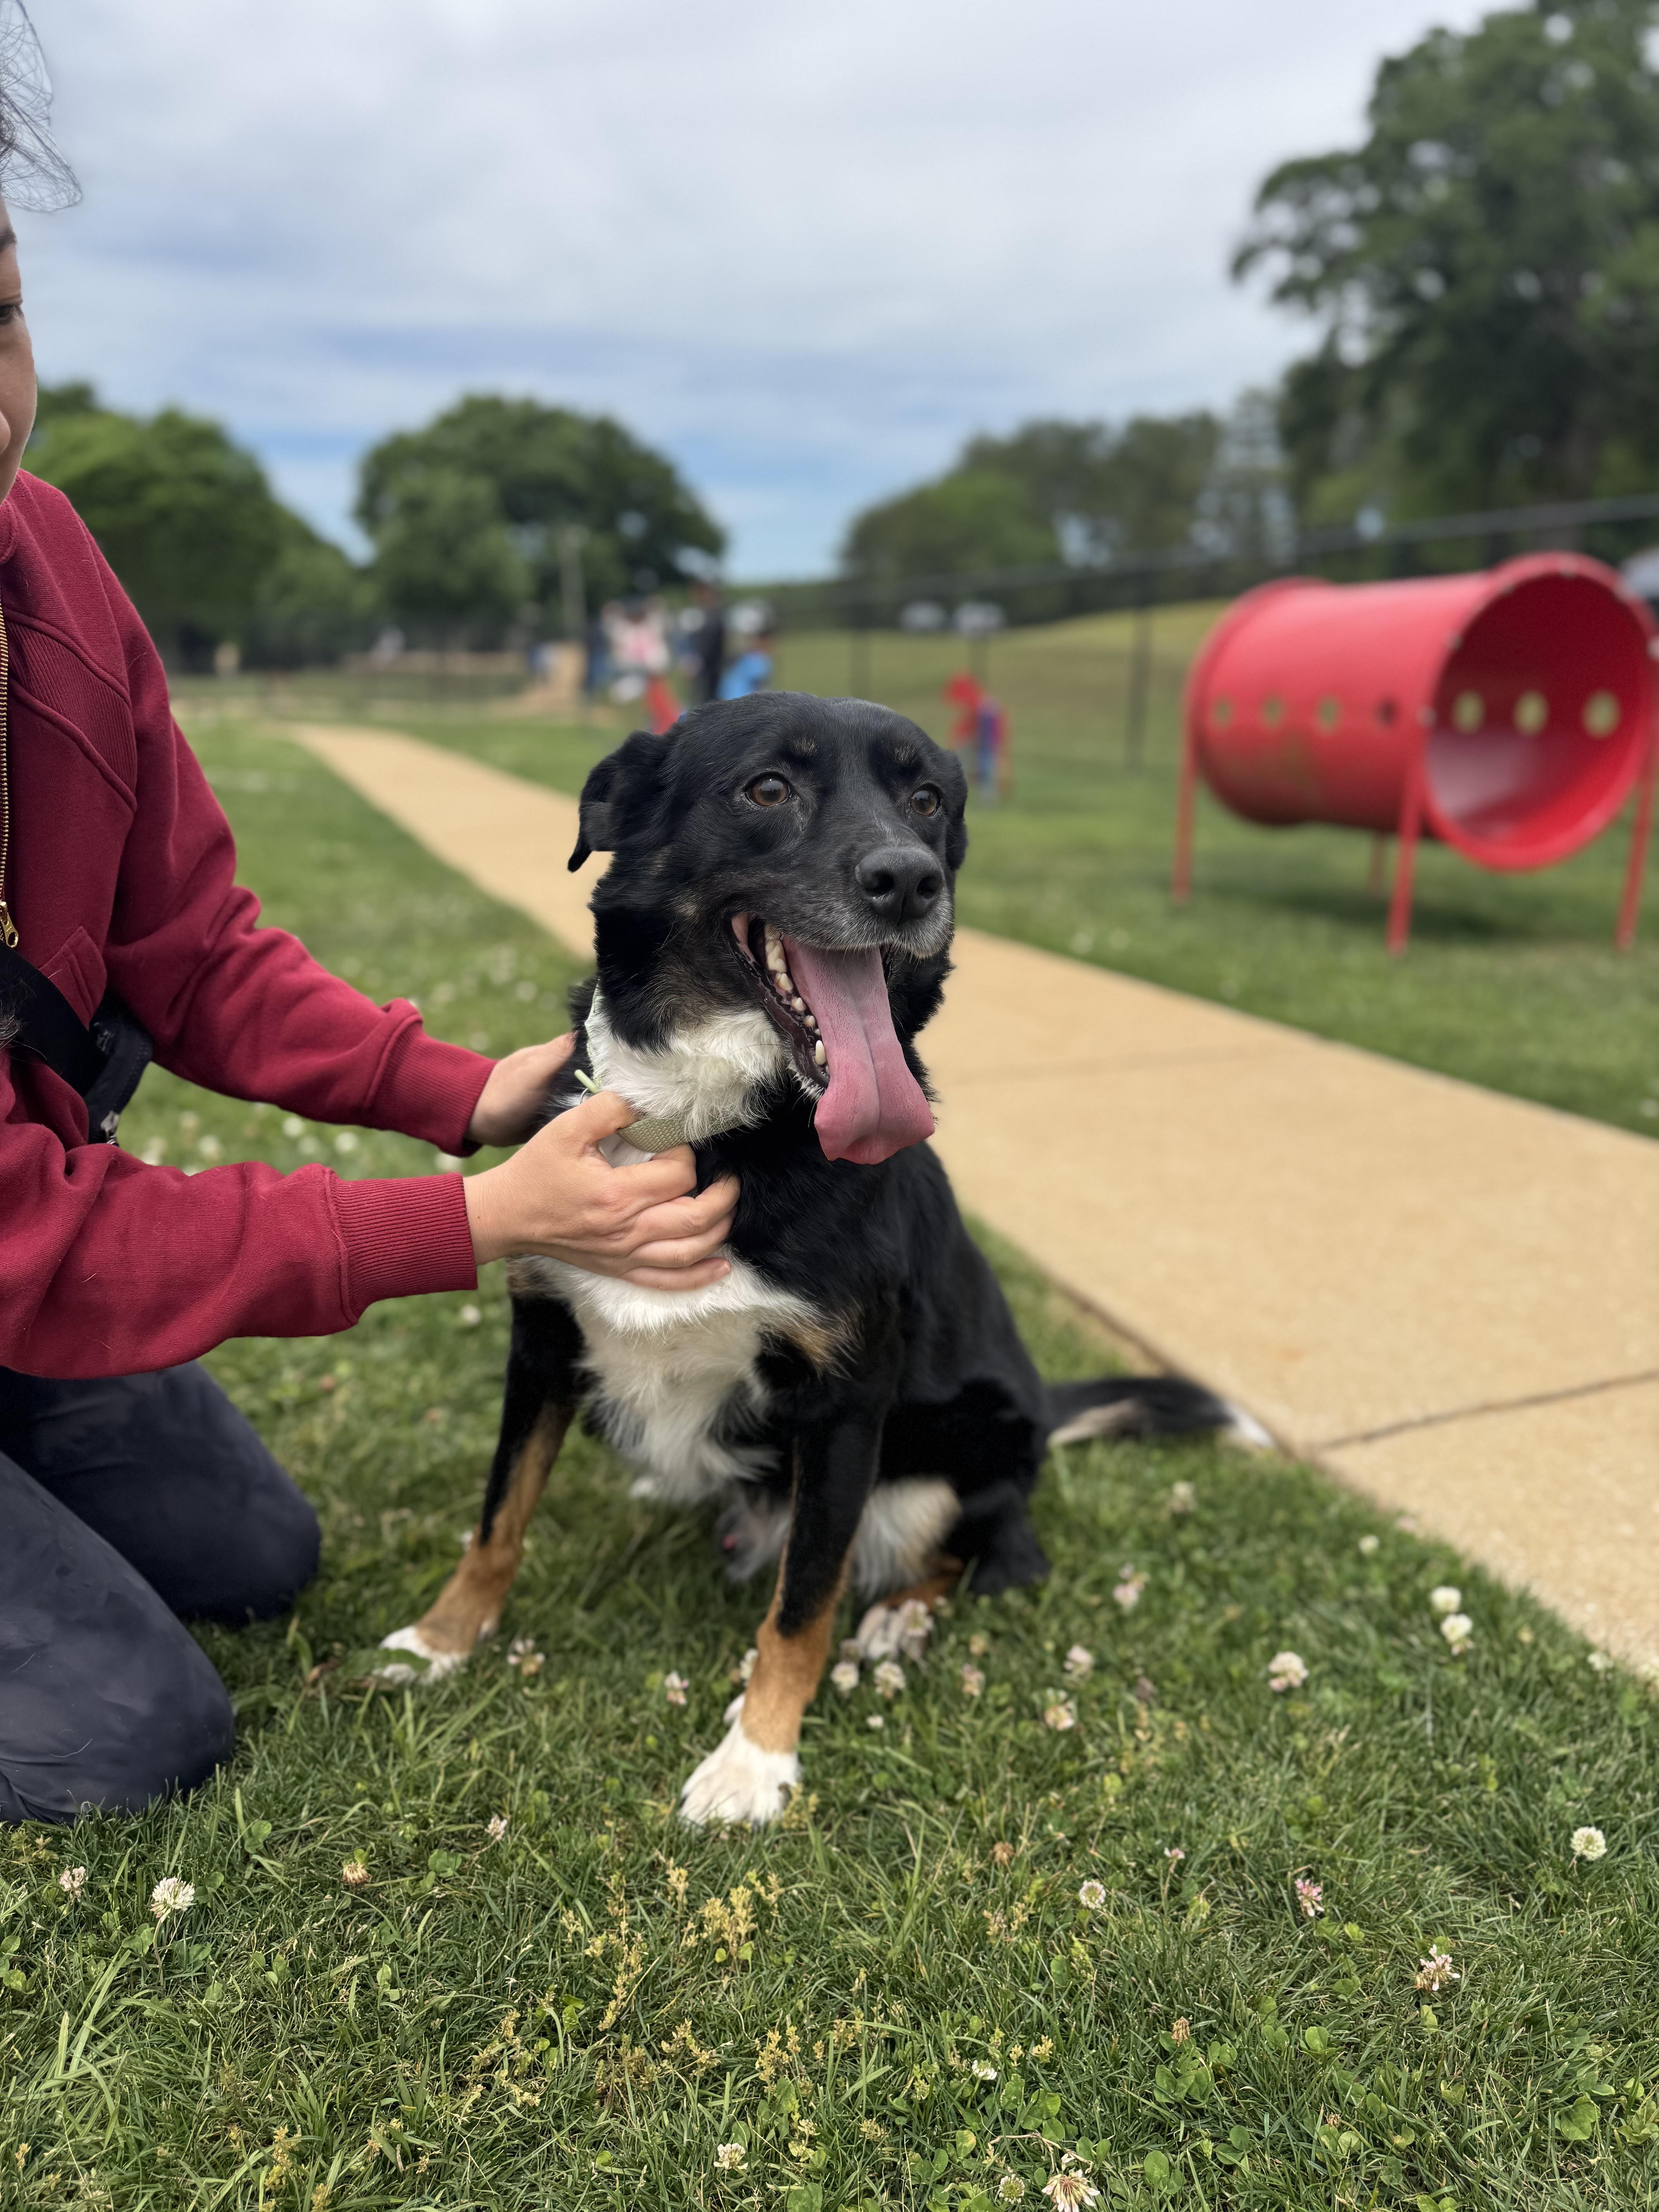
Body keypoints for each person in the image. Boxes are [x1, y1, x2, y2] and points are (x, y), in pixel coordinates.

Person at [0, 52, 738, 1823]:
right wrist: (475, 1224)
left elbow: (187, 946)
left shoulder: (51, 566)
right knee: (127, 1734)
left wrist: (466, 1092)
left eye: (1, 316)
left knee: (257, 1549)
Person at [718, 621, 776, 701]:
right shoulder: (759, 660)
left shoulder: (739, 659)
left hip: (726, 700)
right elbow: (761, 688)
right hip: (744, 703)